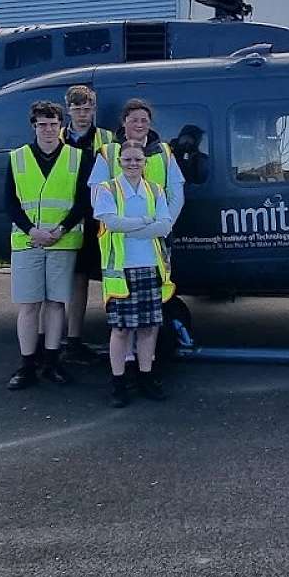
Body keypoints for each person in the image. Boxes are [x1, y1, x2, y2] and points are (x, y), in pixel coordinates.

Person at [88, 98, 185, 373]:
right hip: (121, 247)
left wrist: (165, 226)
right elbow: (96, 196)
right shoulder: (107, 153)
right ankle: (126, 364)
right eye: (134, 120)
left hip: (156, 243)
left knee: (149, 317)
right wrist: (142, 226)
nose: (139, 125)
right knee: (123, 321)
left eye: (144, 120)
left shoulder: (164, 152)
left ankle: (146, 365)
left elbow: (176, 194)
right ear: (124, 123)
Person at [5, 100, 94, 391]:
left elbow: (83, 201)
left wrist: (61, 229)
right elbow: (10, 202)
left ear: (61, 126)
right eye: (42, 125)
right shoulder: (17, 157)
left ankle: (53, 362)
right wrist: (32, 230)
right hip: (27, 241)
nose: (48, 130)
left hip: (62, 241)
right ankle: (27, 365)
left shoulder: (77, 158)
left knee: (56, 304)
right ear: (34, 126)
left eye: (53, 124)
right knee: (29, 305)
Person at [93, 142, 177, 408]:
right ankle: (118, 383)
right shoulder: (107, 189)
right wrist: (144, 223)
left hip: (150, 266)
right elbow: (110, 222)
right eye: (128, 160)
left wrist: (130, 229)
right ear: (119, 161)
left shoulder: (155, 190)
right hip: (121, 271)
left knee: (148, 328)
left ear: (145, 162)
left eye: (138, 160)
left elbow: (164, 226)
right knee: (120, 330)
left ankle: (145, 377)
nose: (133, 164)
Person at [59, 85, 114, 367]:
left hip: (97, 220)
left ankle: (111, 336)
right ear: (68, 109)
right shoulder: (56, 138)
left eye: (88, 108)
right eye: (78, 109)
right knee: (71, 281)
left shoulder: (107, 139)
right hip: (66, 218)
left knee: (103, 278)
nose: (83, 114)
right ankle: (65, 339)